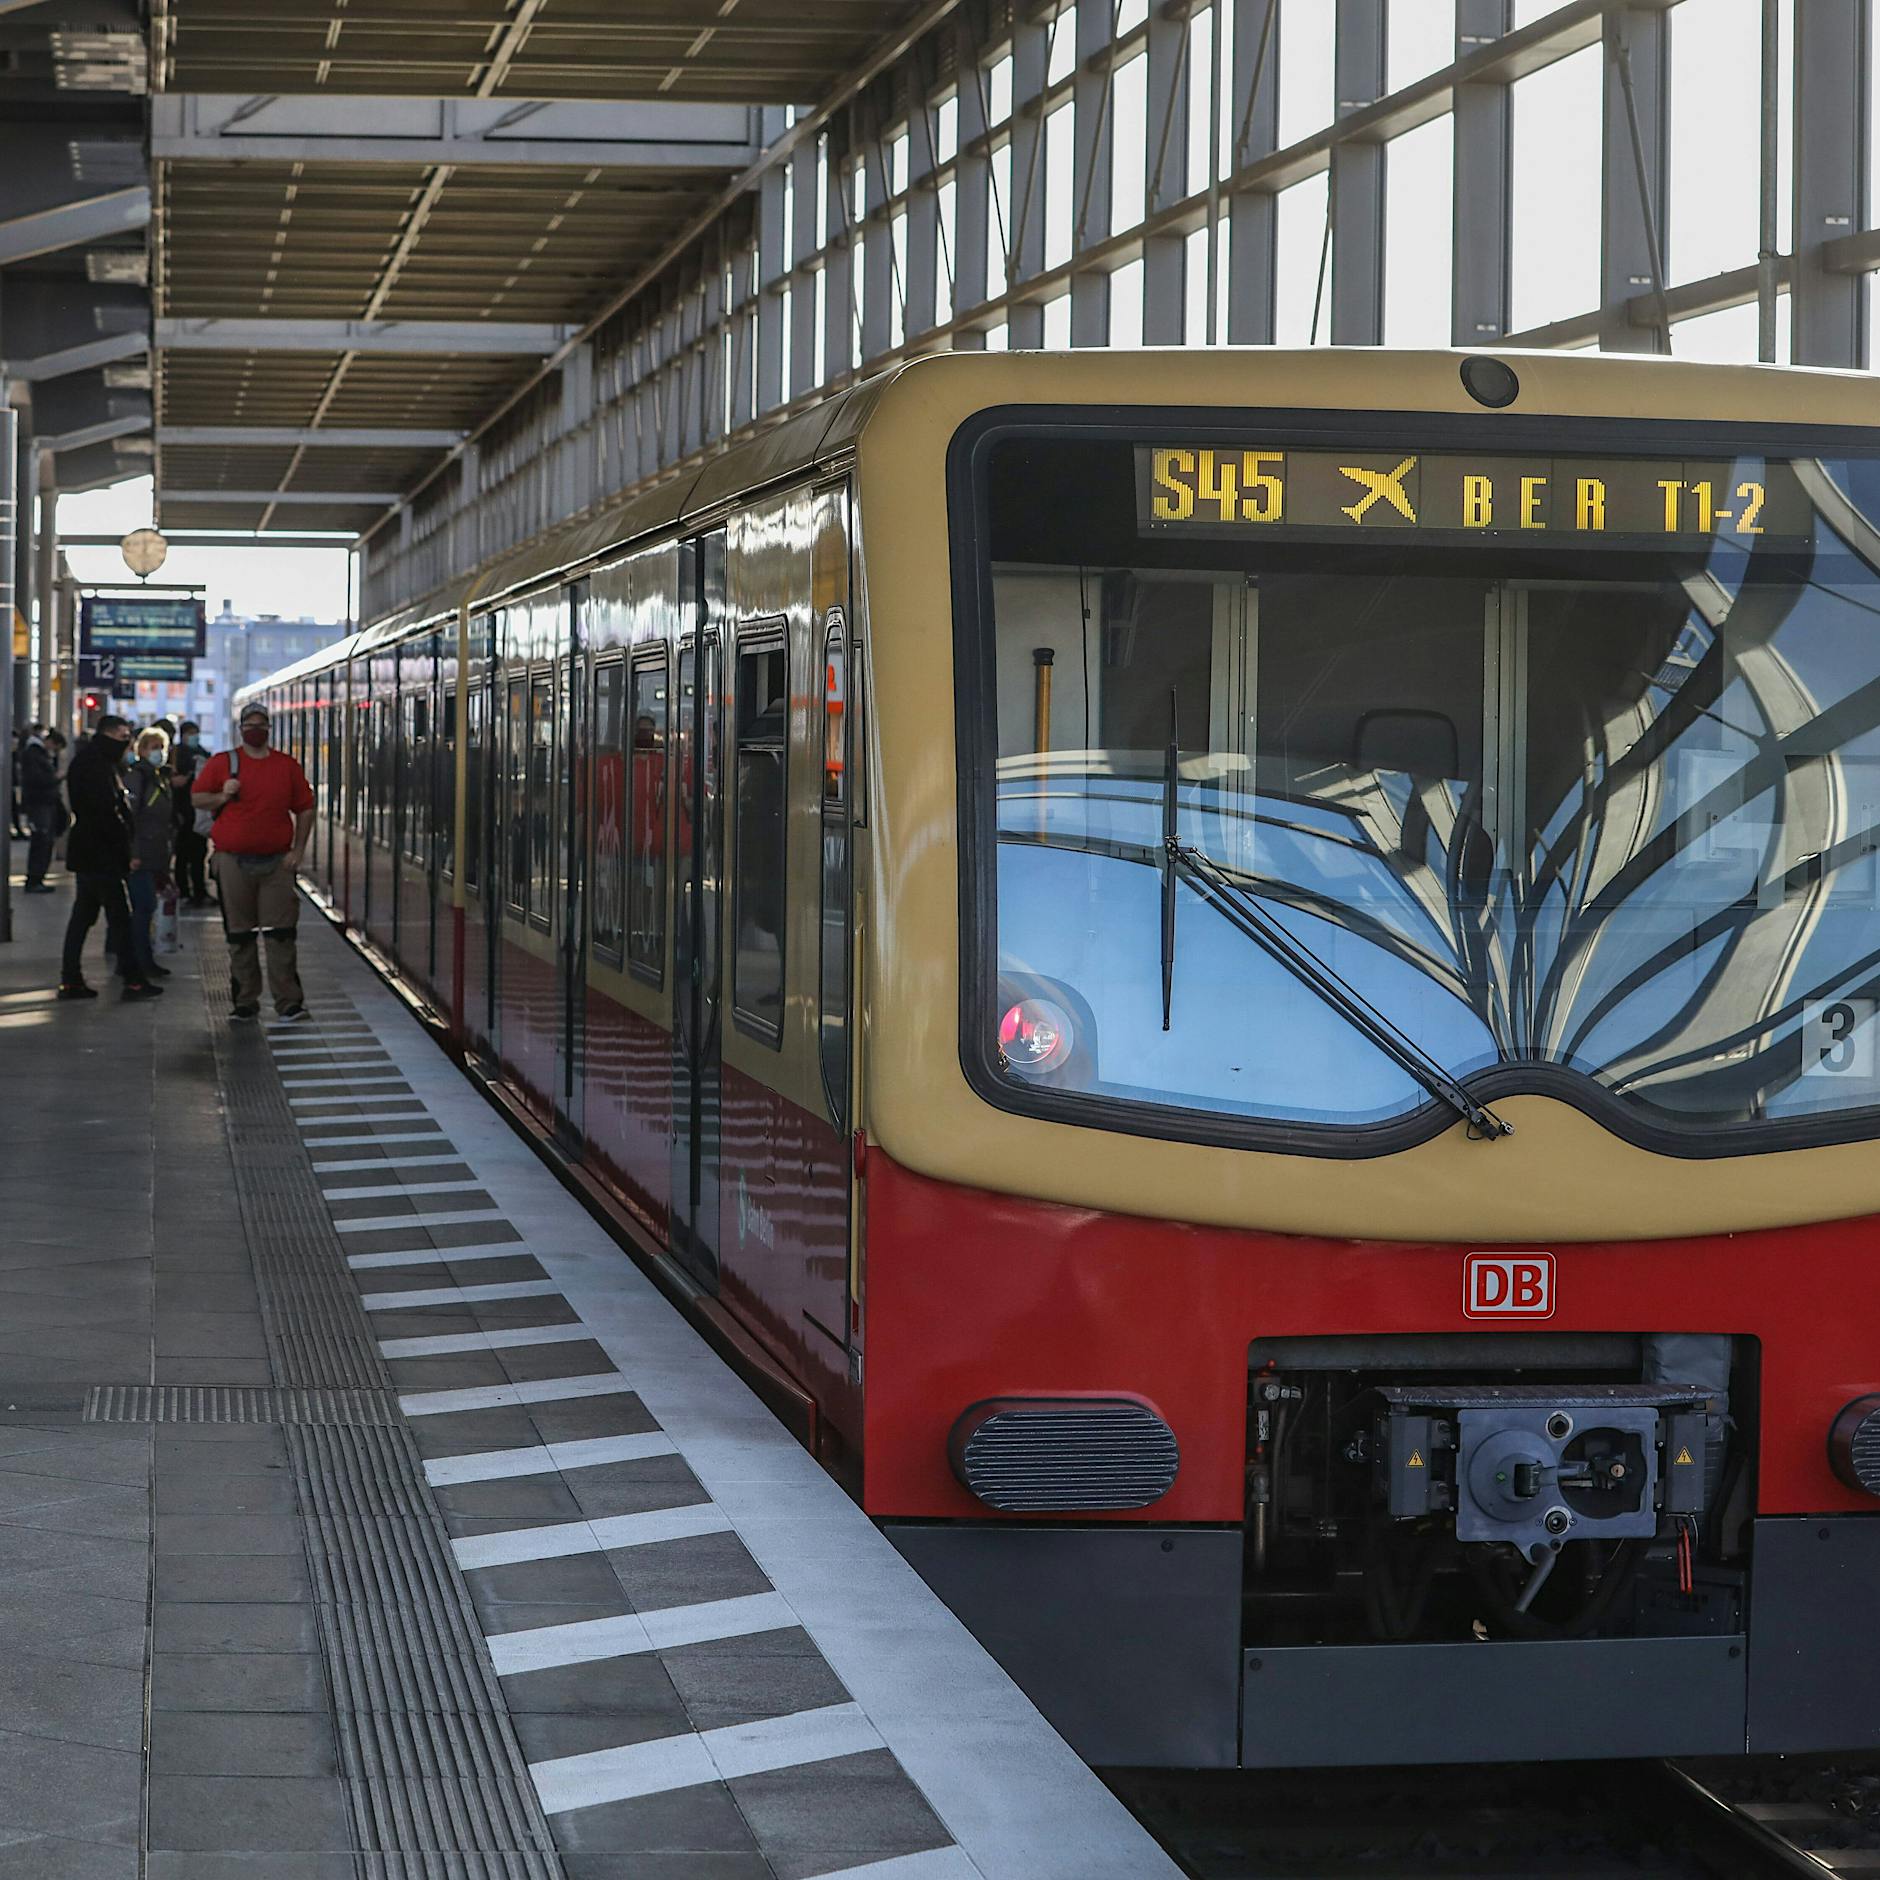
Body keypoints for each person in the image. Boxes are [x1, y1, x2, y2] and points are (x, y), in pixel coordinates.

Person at [193, 704, 314, 1021]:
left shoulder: (286, 766)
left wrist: (298, 850)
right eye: (250, 724)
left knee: (281, 933)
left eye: (261, 724)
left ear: (269, 729)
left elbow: (305, 807)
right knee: (240, 934)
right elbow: (197, 798)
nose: (255, 729)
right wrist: (222, 796)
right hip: (232, 861)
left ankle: (288, 1001)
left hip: (276, 862)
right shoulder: (223, 763)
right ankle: (245, 1001)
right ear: (241, 728)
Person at [58, 714, 162, 1003]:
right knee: (119, 917)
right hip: (99, 854)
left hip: (93, 853)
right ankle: (133, 980)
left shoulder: (99, 762)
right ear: (106, 735)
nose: (126, 742)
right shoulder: (94, 765)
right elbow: (104, 812)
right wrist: (123, 847)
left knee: (84, 916)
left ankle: (71, 978)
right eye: (121, 737)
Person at [125, 728, 175, 983]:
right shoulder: (138, 777)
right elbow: (129, 818)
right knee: (143, 908)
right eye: (153, 746)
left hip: (154, 853)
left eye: (161, 746)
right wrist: (132, 852)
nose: (159, 752)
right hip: (141, 854)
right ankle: (139, 962)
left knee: (147, 907)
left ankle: (141, 960)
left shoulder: (157, 776)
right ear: (141, 750)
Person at [169, 720, 211, 905]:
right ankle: (184, 891)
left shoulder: (202, 753)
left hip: (200, 812)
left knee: (199, 854)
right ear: (183, 735)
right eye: (191, 733)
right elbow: (175, 781)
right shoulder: (176, 754)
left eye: (196, 733)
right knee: (183, 855)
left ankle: (199, 891)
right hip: (182, 812)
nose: (195, 737)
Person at [18, 726, 60, 894]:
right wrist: (55, 778)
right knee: (41, 841)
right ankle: (35, 879)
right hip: (40, 803)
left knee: (43, 841)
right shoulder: (34, 753)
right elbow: (37, 779)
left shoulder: (35, 753)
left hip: (42, 803)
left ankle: (37, 878)